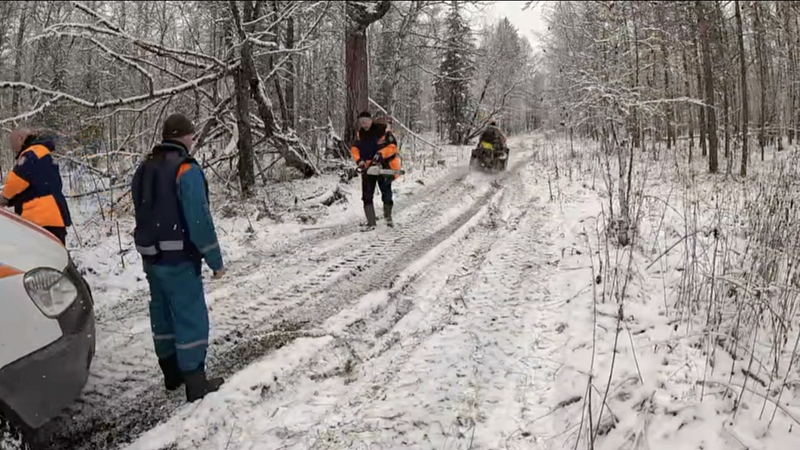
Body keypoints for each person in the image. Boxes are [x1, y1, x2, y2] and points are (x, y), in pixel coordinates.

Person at [131, 113, 226, 402]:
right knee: (189, 315)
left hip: (151, 257)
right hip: (180, 257)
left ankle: (171, 373)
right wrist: (215, 260)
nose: (193, 140)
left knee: (161, 313)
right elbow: (198, 220)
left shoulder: (144, 167)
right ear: (185, 137)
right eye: (192, 136)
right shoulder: (186, 169)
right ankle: (195, 381)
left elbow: (141, 209)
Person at [0, 129, 72, 245]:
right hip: (53, 216)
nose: (13, 149)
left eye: (13, 144)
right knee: (53, 257)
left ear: (20, 139)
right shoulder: (42, 153)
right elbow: (34, 186)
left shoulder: (32, 153)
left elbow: (16, 180)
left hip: (41, 218)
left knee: (40, 258)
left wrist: (4, 198)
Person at [350, 111, 401, 229]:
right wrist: (359, 161)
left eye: (365, 120)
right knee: (367, 196)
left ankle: (388, 218)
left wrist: (381, 154)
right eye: (361, 121)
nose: (364, 123)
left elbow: (393, 147)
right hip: (368, 169)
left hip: (384, 167)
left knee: (386, 194)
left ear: (370, 120)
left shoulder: (382, 130)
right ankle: (371, 222)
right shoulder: (360, 134)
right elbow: (354, 148)